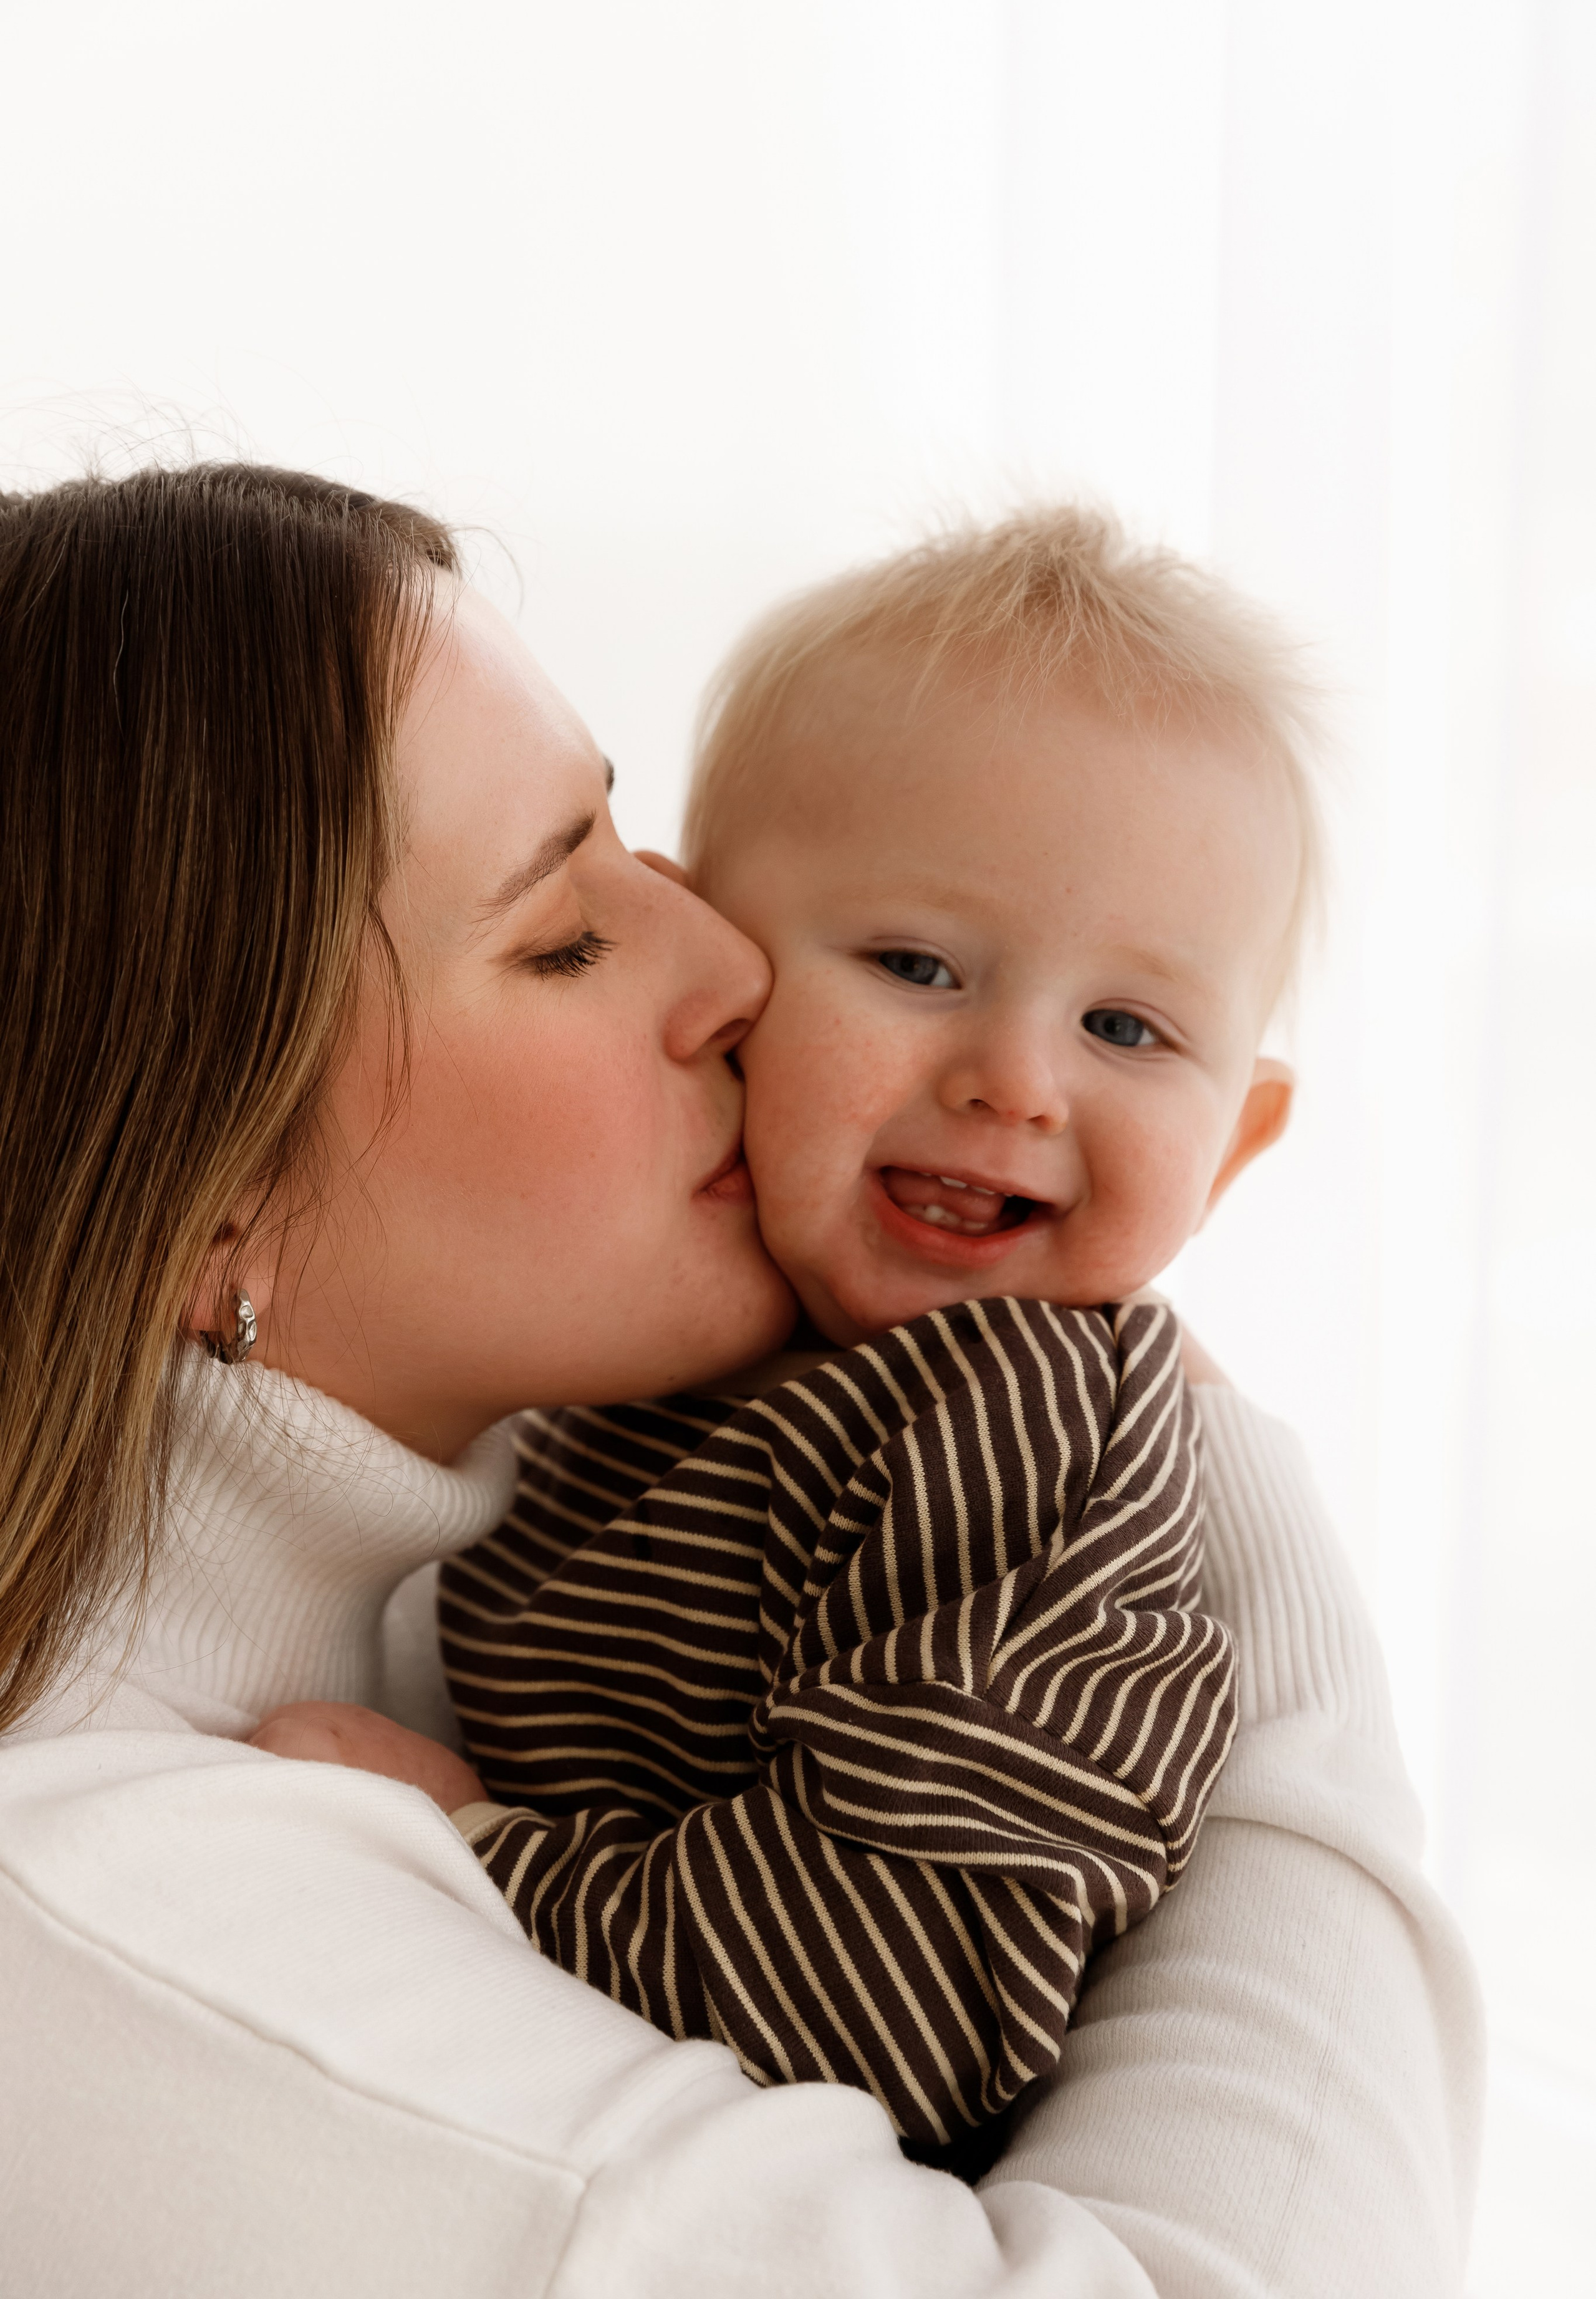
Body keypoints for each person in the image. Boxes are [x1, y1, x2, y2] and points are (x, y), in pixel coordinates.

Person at [0, 463, 1481, 2298]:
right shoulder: (121, 1931)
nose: (733, 964)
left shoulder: (536, 1528)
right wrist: (1269, 1599)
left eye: (640, 844)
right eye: (565, 934)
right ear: (204, 1198)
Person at [256, 509, 1318, 2162]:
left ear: (1233, 1148)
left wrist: (471, 1847)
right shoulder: (666, 1363)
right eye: (916, 964)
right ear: (729, 968)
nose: (1017, 1081)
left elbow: (891, 2006)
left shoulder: (1016, 1424)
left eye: (1126, 1027)